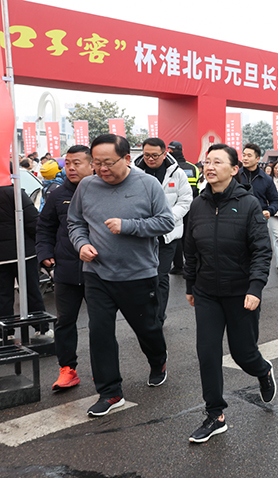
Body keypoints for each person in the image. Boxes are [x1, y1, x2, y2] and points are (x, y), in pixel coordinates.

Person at [67, 134, 173, 417]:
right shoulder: (87, 186)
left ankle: (158, 360)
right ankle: (110, 392)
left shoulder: (147, 184)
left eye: (108, 162)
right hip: (97, 273)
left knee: (147, 329)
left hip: (137, 273)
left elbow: (166, 221)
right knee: (100, 332)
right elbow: (75, 222)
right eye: (96, 162)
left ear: (126, 159)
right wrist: (82, 244)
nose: (102, 169)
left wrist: (129, 226)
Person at [184, 143, 275, 443]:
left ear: (235, 169)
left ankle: (263, 371)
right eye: (207, 162)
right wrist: (190, 285)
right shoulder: (198, 205)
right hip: (207, 292)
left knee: (243, 354)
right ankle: (215, 415)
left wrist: (255, 287)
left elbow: (261, 250)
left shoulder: (248, 204)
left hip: (241, 293)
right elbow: (190, 250)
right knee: (208, 353)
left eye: (217, 162)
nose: (209, 167)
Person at [36, 145, 95, 390]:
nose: (71, 168)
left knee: (101, 324)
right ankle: (67, 369)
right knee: (64, 323)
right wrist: (45, 254)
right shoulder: (57, 194)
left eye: (77, 163)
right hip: (66, 271)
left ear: (92, 164)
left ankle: (103, 369)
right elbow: (44, 227)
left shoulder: (104, 191)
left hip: (98, 271)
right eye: (67, 163)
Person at [133, 138, 193, 325]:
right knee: (143, 277)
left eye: (155, 155)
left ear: (164, 153)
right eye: (146, 155)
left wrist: (166, 219)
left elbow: (185, 200)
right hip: (142, 234)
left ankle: (158, 317)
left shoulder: (177, 173)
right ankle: (145, 313)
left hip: (167, 234)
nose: (150, 159)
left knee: (160, 276)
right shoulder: (133, 173)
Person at [0, 184, 47, 333]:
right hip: (24, 253)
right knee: (31, 291)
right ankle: (41, 329)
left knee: (3, 296)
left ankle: (5, 334)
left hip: (2, 258)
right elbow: (33, 222)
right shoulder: (15, 193)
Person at [166, 140, 200, 275]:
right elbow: (196, 189)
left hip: (174, 207)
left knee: (176, 236)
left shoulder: (171, 168)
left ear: (169, 151)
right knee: (189, 236)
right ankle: (191, 264)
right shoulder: (193, 168)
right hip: (191, 207)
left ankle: (178, 265)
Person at [237, 143, 278, 220]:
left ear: (257, 159)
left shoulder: (266, 179)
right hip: (238, 218)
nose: (245, 158)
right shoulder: (235, 176)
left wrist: (269, 211)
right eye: (244, 155)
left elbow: (276, 200)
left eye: (249, 156)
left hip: (258, 219)